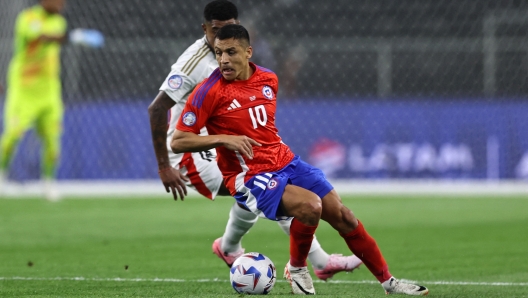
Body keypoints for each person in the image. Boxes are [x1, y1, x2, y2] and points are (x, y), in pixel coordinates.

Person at [170, 24, 430, 296]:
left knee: (345, 217)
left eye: (231, 52)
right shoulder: (208, 91)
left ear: (248, 52)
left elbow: (263, 129)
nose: (223, 59)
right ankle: (297, 268)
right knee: (309, 206)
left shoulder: (269, 79)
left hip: (285, 161)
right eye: (218, 52)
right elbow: (179, 140)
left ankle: (389, 283)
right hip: (249, 177)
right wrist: (223, 139)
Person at [148, 0, 361, 281]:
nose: (222, 39)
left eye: (229, 30)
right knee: (271, 189)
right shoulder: (193, 63)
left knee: (260, 187)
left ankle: (228, 247)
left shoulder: (237, 55)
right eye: (215, 32)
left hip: (223, 142)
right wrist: (164, 166)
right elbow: (157, 108)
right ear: (205, 29)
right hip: (191, 151)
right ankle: (319, 261)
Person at [0, 0, 67, 201]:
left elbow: (55, 37)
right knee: (12, 134)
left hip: (49, 91)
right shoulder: (28, 18)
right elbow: (42, 37)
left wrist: (64, 36)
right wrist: (71, 37)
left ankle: (49, 183)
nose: (62, 4)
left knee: (52, 139)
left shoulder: (59, 21)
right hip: (24, 89)